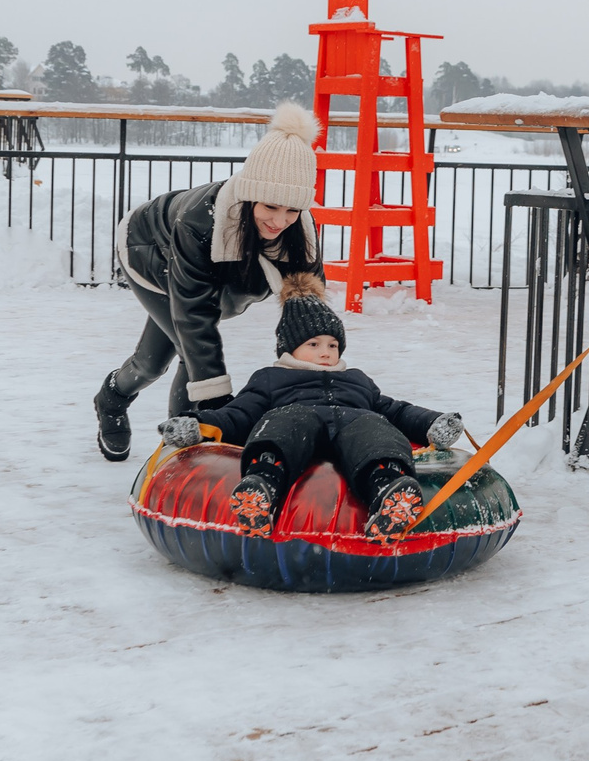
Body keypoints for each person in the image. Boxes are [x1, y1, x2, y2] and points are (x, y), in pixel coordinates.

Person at [93, 103, 323, 461]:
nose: (280, 221)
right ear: (249, 195)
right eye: (270, 207)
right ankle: (174, 443)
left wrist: (320, 380)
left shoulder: (300, 232)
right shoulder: (199, 222)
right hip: (149, 252)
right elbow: (195, 317)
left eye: (292, 210)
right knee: (185, 351)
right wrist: (217, 408)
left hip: (216, 275)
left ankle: (149, 416)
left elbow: (311, 315)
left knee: (155, 358)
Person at [157, 276, 465, 539]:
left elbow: (395, 410)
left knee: (374, 427)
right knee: (287, 420)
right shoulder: (271, 378)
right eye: (314, 344)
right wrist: (198, 425)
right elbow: (238, 414)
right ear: (290, 348)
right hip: (297, 432)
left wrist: (432, 423)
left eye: (333, 345)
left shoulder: (356, 380)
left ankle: (389, 490)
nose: (326, 353)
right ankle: (261, 487)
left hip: (352, 430)